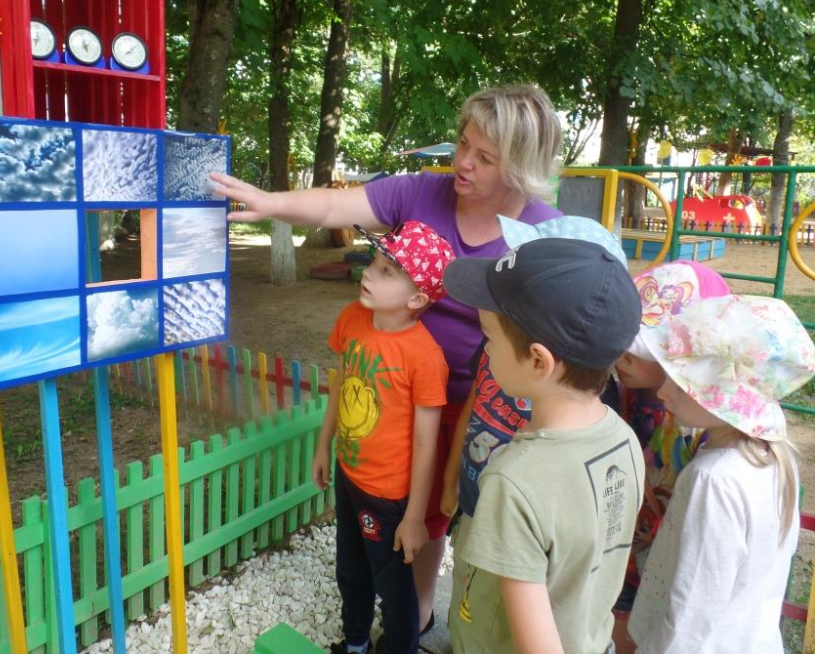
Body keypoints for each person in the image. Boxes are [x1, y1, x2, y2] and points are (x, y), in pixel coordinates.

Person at [213, 84, 563, 626]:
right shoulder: (423, 191)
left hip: (473, 401)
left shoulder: (544, 231)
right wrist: (270, 203)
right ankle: (395, 600)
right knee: (388, 498)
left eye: (484, 157)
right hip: (391, 387)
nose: (462, 163)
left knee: (444, 510)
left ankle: (420, 611)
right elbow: (335, 203)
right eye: (463, 143)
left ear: (519, 166)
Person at [442, 237, 644, 654]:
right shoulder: (624, 439)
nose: (485, 351)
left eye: (489, 339)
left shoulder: (513, 480)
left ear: (538, 362)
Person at [628, 294, 815, 653]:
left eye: (682, 382)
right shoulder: (775, 458)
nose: (663, 392)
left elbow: (691, 613)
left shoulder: (714, 478)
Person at [311, 220, 454, 654]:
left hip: (389, 495)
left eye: (387, 270)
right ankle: (356, 644)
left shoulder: (425, 356)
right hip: (348, 473)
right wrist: (323, 445)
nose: (369, 273)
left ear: (417, 298)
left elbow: (428, 442)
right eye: (373, 263)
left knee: (394, 591)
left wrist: (414, 517)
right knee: (350, 572)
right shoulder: (352, 318)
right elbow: (341, 382)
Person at [606, 261, 730, 653]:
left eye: (640, 348)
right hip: (614, 554)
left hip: (659, 568)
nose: (622, 354)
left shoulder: (696, 426)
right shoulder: (615, 390)